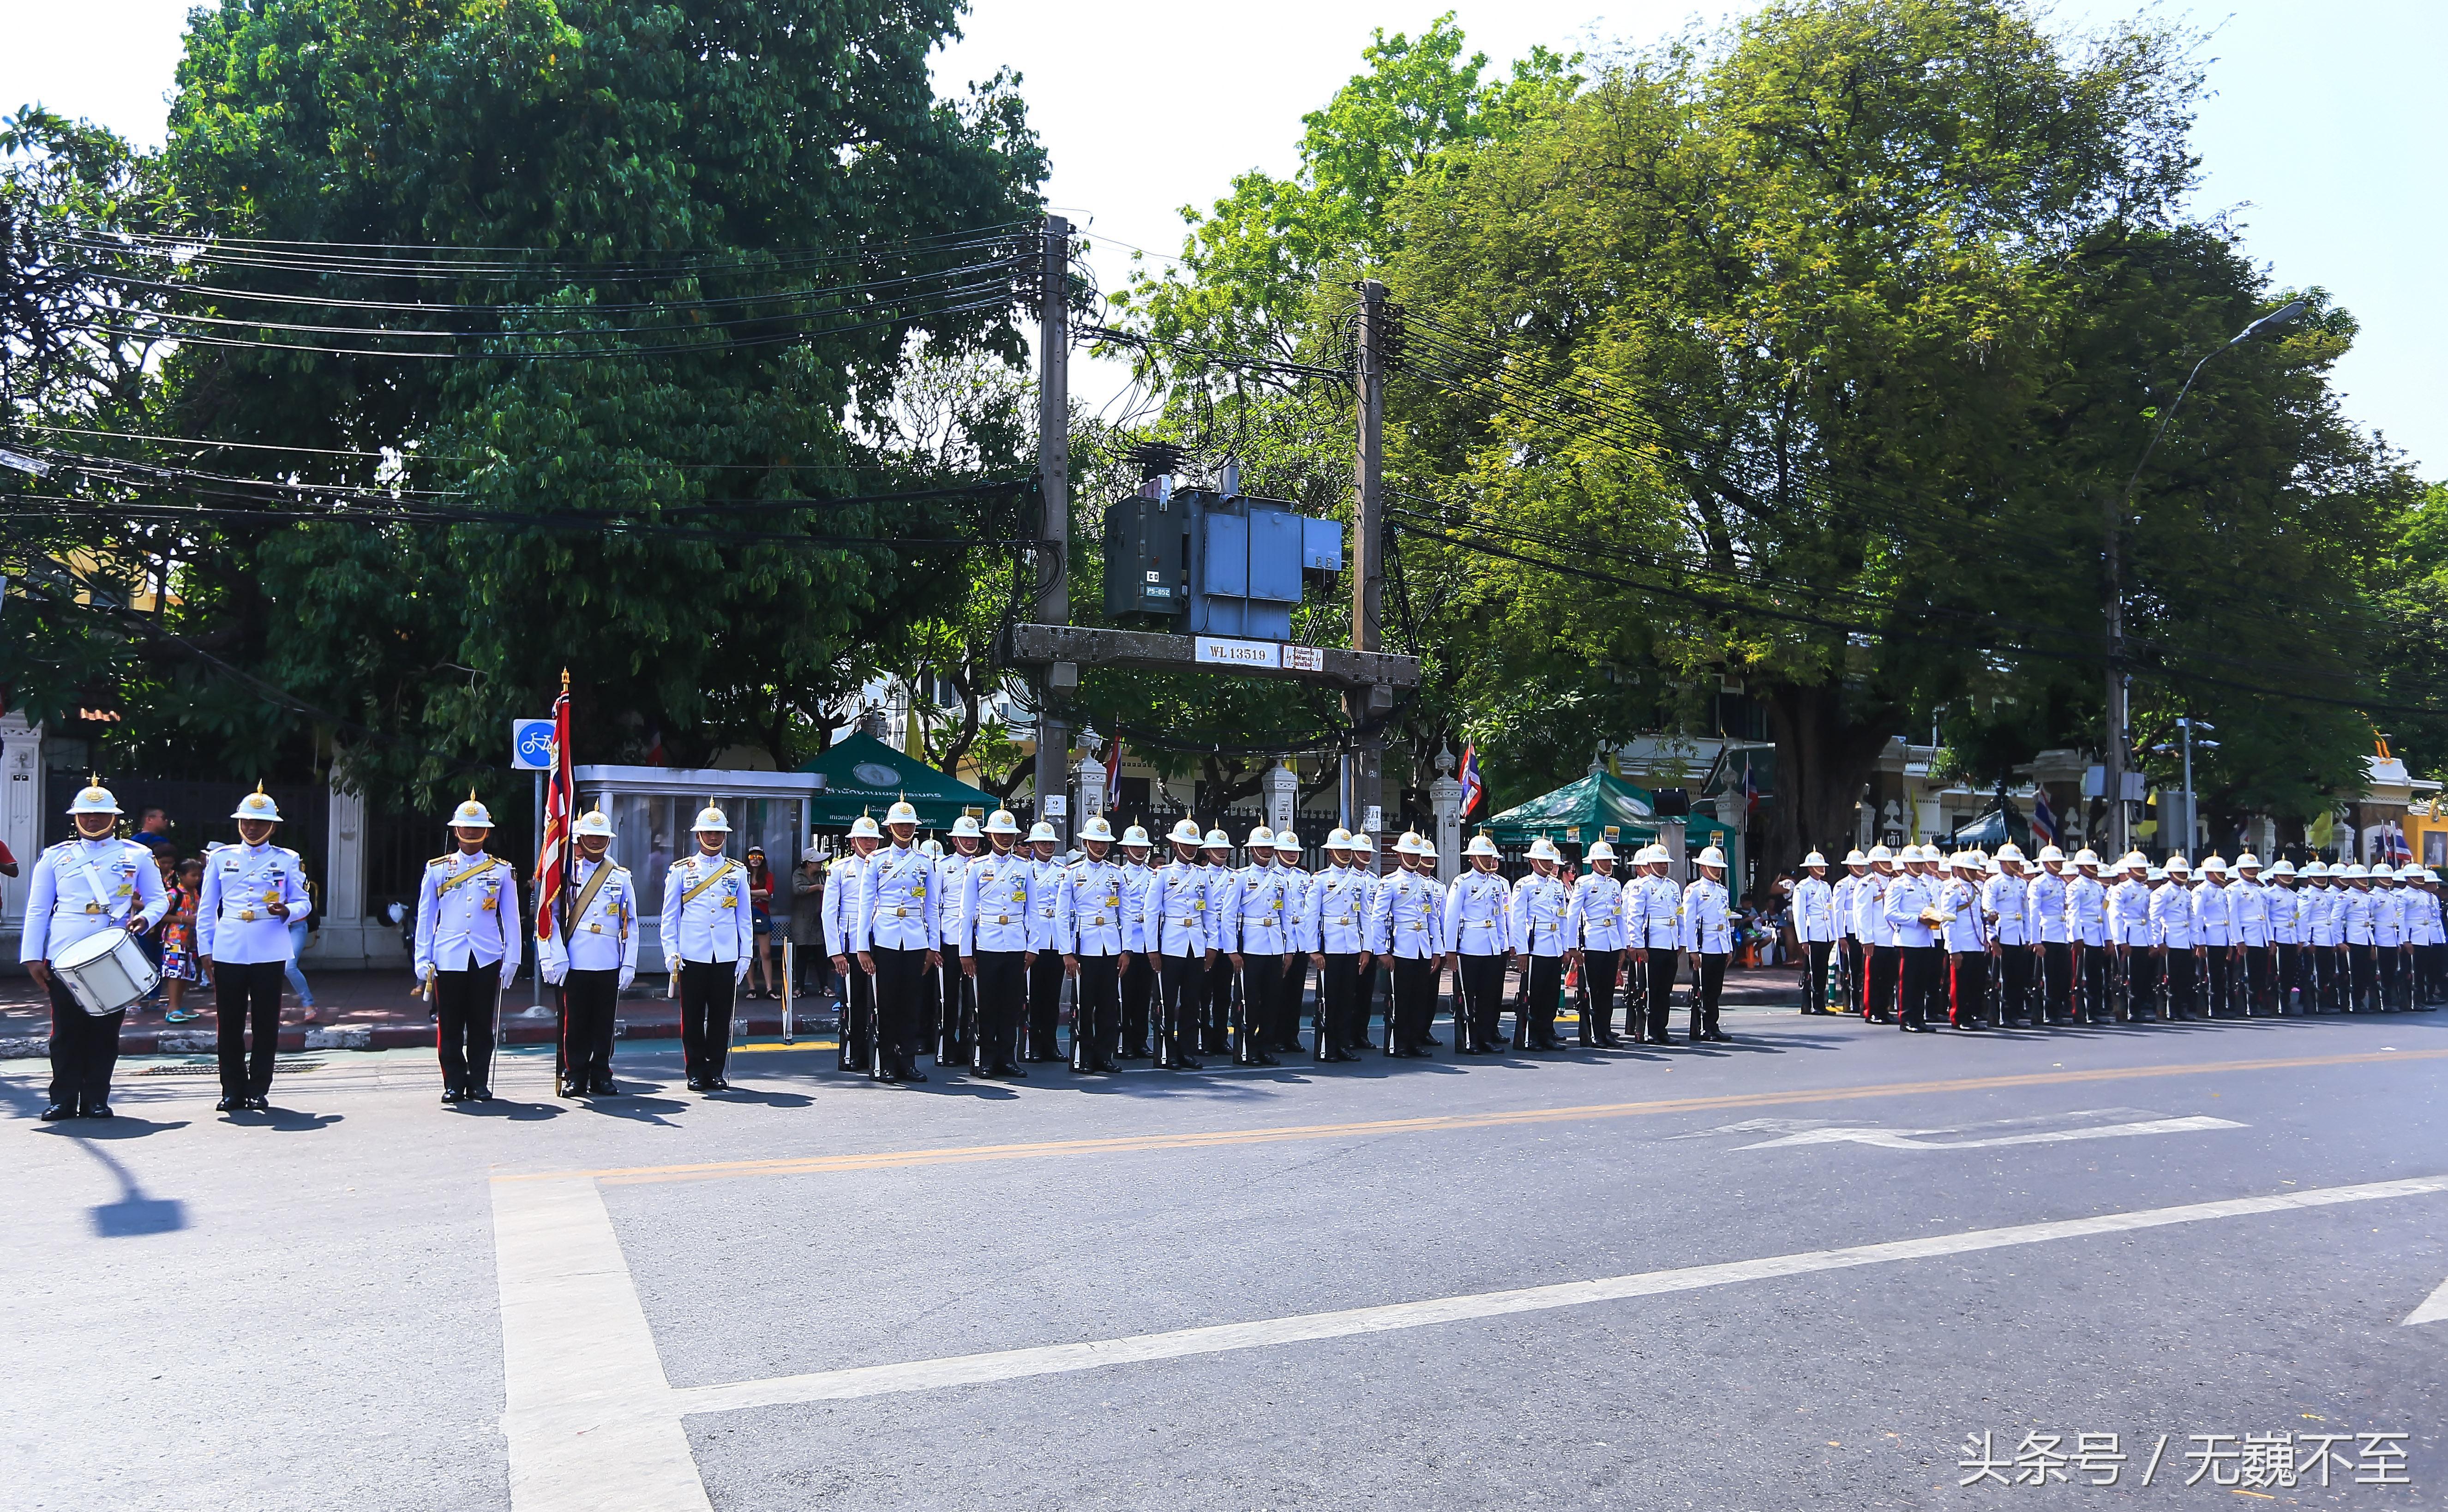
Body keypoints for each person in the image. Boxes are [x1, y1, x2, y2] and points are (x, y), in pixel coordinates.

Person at [21, 781, 169, 1120]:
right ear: (76, 818)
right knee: (66, 1033)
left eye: (99, 814)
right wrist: (32, 957)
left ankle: (96, 1099)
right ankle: (62, 1099)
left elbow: (158, 899)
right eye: (85, 815)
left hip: (111, 955)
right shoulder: (56, 856)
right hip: (65, 956)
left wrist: (145, 920)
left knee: (105, 1033)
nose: (91, 820)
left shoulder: (136, 855)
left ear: (114, 818)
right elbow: (38, 909)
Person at [203, 784, 315, 1112]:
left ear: (273, 827)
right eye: (247, 822)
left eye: (259, 823)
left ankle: (259, 1088)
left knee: (266, 1023)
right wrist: (205, 950)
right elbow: (208, 909)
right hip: (230, 946)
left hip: (269, 946)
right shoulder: (221, 858)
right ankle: (232, 1090)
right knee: (230, 1024)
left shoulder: (288, 859)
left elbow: (303, 901)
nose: (252, 828)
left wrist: (289, 912)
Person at [414, 794, 520, 1105]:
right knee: (449, 1023)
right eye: (465, 828)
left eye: (477, 829)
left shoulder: (501, 871)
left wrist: (512, 958)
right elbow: (426, 917)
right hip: (449, 955)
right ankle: (453, 1082)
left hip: (486, 955)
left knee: (480, 1023)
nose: (471, 833)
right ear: (456, 830)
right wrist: (422, 957)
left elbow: (511, 919)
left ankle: (479, 1082)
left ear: (487, 832)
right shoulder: (437, 869)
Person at [537, 808, 638, 1098]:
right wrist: (555, 955)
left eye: (601, 838)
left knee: (604, 1022)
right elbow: (551, 917)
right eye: (589, 837)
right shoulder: (566, 875)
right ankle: (576, 1074)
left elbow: (631, 921)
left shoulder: (621, 877)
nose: (595, 842)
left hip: (608, 957)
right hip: (576, 958)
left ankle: (602, 1073)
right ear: (579, 840)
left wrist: (629, 963)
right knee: (576, 1022)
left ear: (608, 841)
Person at [663, 804, 753, 1091]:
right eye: (709, 832)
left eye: (719, 833)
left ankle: (716, 1069)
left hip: (725, 954)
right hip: (692, 954)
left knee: (720, 1017)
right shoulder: (681, 870)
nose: (714, 838)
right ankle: (695, 1071)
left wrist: (745, 954)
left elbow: (745, 918)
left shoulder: (737, 872)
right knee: (691, 1017)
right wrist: (670, 952)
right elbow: (670, 916)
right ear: (698, 835)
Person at [856, 798, 938, 1084]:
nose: (905, 829)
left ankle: (908, 1062)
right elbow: (865, 905)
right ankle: (887, 1062)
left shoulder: (925, 862)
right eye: (900, 825)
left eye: (910, 825)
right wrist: (862, 947)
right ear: (890, 828)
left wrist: (933, 946)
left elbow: (932, 907)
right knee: (887, 1003)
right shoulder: (876, 860)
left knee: (912, 1003)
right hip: (886, 935)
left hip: (915, 938)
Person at [959, 809, 1037, 1077]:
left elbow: (1033, 912)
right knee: (987, 1003)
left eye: (1010, 835)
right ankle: (986, 1058)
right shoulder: (977, 867)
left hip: (1016, 941)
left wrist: (1032, 946)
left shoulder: (1025, 867)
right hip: (988, 942)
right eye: (1000, 834)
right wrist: (965, 952)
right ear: (990, 835)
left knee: (1011, 1004)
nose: (1005, 839)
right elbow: (967, 912)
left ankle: (1008, 1058)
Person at [1055, 815, 1128, 1073]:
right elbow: (1062, 914)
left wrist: (1126, 950)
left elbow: (1126, 914)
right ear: (1085, 843)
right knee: (1084, 1006)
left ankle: (1105, 1055)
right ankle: (1085, 1055)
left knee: (1109, 1004)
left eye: (1104, 843)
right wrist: (1067, 953)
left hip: (1110, 946)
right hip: (1083, 946)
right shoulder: (1072, 873)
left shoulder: (1116, 874)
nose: (1099, 847)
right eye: (1095, 842)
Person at [1142, 818, 1214, 1069]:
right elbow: (1151, 913)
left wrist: (1212, 945)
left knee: (1192, 1001)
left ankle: (1187, 1050)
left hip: (1195, 943)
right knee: (1167, 1001)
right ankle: (1167, 1052)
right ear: (1174, 845)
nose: (1191, 849)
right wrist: (1152, 948)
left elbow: (1210, 912)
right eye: (1186, 844)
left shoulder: (1202, 876)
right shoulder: (1162, 875)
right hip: (1171, 944)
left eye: (1194, 845)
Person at [1372, 831, 1446, 1056]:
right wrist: (1382, 951)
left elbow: (1432, 918)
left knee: (1420, 997)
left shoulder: (1426, 885)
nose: (1414, 859)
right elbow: (1378, 917)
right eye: (1410, 855)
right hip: (1402, 946)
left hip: (1423, 946)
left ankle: (1415, 1041)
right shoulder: (1390, 883)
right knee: (1402, 998)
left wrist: (1437, 950)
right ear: (1400, 855)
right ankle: (1401, 1043)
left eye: (1417, 855)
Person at [1304, 829, 1375, 1061]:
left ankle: (1344, 1045)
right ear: (1331, 852)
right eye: (1341, 850)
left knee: (1348, 998)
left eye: (1348, 850)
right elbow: (1312, 916)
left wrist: (1367, 948)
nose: (1345, 854)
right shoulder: (1321, 879)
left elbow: (1366, 916)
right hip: (1330, 946)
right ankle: (1328, 1045)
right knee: (1330, 1000)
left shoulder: (1359, 881)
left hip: (1352, 946)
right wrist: (1313, 950)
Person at [1225, 824, 1291, 1067]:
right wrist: (1232, 950)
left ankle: (1265, 1046)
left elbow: (1287, 916)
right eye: (1261, 847)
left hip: (1274, 946)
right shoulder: (1240, 877)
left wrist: (1289, 950)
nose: (1265, 851)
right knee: (1249, 1002)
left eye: (1269, 847)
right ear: (1252, 850)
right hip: (1250, 947)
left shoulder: (1279, 879)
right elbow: (1229, 915)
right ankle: (1247, 1048)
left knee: (1272, 1001)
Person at [1444, 833, 1514, 1053]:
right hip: (1470, 946)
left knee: (1488, 995)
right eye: (1482, 856)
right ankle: (1470, 1039)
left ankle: (1485, 1038)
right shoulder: (1462, 882)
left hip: (1493, 945)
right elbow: (1452, 916)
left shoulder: (1498, 884)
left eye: (1489, 856)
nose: (1486, 860)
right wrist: (1451, 950)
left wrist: (1507, 943)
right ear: (1472, 858)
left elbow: (1503, 916)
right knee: (1469, 996)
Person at [824, 816, 882, 1065]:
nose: (869, 843)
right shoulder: (839, 869)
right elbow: (829, 912)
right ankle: (855, 1052)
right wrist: (836, 952)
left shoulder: (885, 864)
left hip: (880, 940)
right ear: (853, 841)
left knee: (880, 1000)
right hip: (849, 944)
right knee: (854, 1000)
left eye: (873, 839)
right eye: (864, 838)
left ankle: (879, 1052)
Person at [1509, 837, 1571, 1050]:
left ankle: (1547, 1033)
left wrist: (1565, 948)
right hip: (1536, 946)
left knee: (1552, 994)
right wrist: (1522, 952)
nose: (1548, 864)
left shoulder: (1557, 886)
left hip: (1554, 945)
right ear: (1533, 862)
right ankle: (1533, 1036)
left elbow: (1563, 918)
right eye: (1543, 860)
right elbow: (1518, 920)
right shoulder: (1524, 885)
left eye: (1550, 860)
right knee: (1535, 994)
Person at [1566, 839, 1630, 1044]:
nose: (1609, 864)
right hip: (1594, 941)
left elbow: (1620, 916)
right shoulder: (1584, 883)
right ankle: (1594, 1032)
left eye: (1610, 860)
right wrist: (1573, 946)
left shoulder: (1615, 885)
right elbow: (1573, 915)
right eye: (1604, 860)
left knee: (1608, 990)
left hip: (1612, 941)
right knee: (1594, 991)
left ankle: (1606, 1030)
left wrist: (1622, 946)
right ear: (1594, 863)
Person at [934, 814, 984, 1063]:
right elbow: (934, 907)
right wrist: (934, 945)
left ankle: (969, 1044)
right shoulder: (942, 867)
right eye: (965, 837)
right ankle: (947, 1046)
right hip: (951, 938)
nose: (970, 842)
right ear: (954, 840)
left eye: (974, 837)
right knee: (949, 996)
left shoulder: (986, 865)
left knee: (974, 996)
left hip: (981, 937)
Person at [1021, 821, 1066, 1061]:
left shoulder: (1063, 871)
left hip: (1056, 939)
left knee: (1053, 996)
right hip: (1034, 939)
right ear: (1033, 845)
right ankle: (1034, 1044)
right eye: (1043, 843)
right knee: (1034, 996)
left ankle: (1051, 1043)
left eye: (1051, 843)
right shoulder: (1026, 870)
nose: (1048, 847)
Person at [1680, 845, 1734, 1042]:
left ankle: (1713, 1024)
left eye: (1719, 866)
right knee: (1705, 989)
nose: (1718, 870)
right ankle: (1705, 1026)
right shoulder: (1694, 890)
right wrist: (1693, 950)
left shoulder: (1722, 891)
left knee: (1716, 989)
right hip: (1705, 945)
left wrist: (1728, 947)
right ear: (1703, 868)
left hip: (1719, 944)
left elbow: (1726, 920)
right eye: (1713, 866)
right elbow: (1688, 921)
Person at [1116, 825, 1159, 1057]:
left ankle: (1140, 1041)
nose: (1140, 851)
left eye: (1143, 847)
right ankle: (1123, 1041)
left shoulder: (1154, 875)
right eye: (1135, 847)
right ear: (1125, 849)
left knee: (1144, 994)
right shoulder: (1118, 874)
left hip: (1148, 941)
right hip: (1127, 939)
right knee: (1125, 995)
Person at [1935, 850, 1988, 1030]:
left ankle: (1971, 1014)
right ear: (1959, 869)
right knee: (1961, 984)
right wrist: (1953, 950)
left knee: (1975, 982)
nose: (1975, 873)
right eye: (1971, 870)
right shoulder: (1952, 890)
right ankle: (1958, 1017)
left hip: (1977, 943)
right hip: (1961, 944)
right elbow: (1948, 923)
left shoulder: (1976, 889)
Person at [1272, 829, 1314, 1053]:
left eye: (1294, 852)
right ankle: (1276, 1035)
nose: (1291, 855)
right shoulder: (1272, 876)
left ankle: (1292, 1036)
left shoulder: (1305, 878)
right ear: (1277, 852)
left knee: (1296, 991)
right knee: (1278, 990)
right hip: (1278, 941)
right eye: (1286, 852)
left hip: (1301, 940)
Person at [1198, 828, 1240, 1056]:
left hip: (1227, 942)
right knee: (1203, 995)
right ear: (1208, 851)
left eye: (1225, 849)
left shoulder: (1235, 876)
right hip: (1204, 941)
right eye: (1217, 848)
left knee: (1224, 994)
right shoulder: (1200, 874)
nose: (1222, 852)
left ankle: (1221, 1037)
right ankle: (1203, 1037)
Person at [1982, 845, 2031, 1025]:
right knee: (2003, 978)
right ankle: (2003, 1015)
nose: (2017, 865)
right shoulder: (1993, 883)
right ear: (2004, 863)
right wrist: (1992, 938)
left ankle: (2014, 1012)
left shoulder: (2021, 884)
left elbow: (2025, 912)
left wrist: (2026, 937)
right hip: (2003, 934)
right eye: (2014, 862)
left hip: (2017, 935)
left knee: (2017, 977)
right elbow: (1989, 912)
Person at [2026, 845, 2072, 1025]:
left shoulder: (2061, 883)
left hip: (2061, 934)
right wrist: (2036, 940)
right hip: (2046, 933)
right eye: (2055, 862)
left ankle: (2058, 1011)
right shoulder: (2038, 884)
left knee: (2062, 976)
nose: (2059, 865)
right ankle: (2048, 1013)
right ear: (2046, 864)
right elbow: (2034, 913)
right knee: (2049, 977)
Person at [1790, 851, 1839, 1017]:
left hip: (1825, 933)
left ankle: (1820, 1003)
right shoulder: (1803, 887)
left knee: (1822, 970)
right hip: (1812, 933)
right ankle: (1809, 1003)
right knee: (1811, 969)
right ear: (1811, 868)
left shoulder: (1826, 887)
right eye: (1818, 866)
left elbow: (1831, 912)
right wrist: (1803, 939)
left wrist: (1833, 935)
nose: (1821, 869)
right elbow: (1799, 915)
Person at [1855, 845, 1900, 1022]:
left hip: (1893, 938)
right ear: (1873, 865)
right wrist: (1867, 939)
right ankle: (1871, 1011)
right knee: (1873, 978)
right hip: (1876, 939)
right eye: (1883, 862)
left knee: (1889, 977)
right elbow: (1863, 913)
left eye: (1888, 861)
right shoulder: (1867, 884)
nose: (1887, 864)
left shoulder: (1894, 883)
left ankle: (1884, 1009)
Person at [162, 857, 206, 1023]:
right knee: (174, 974)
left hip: (189, 941)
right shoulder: (174, 894)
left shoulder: (195, 894)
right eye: (193, 875)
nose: (197, 879)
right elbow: (161, 916)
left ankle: (178, 1006)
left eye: (199, 876)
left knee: (185, 973)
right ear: (181, 876)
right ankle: (172, 1008)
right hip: (174, 940)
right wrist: (183, 920)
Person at [282, 869, 320, 1023]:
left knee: (289, 966)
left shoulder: (299, 883)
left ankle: (308, 1004)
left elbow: (304, 906)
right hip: (276, 928)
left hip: (297, 926)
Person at [790, 847, 827, 1002]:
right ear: (809, 863)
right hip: (802, 920)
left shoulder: (822, 876)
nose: (820, 864)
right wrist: (817, 888)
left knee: (821, 954)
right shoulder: (798, 874)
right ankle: (800, 987)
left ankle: (824, 986)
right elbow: (798, 890)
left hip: (818, 919)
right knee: (803, 954)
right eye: (817, 862)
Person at [741, 845, 778, 1000]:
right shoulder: (743, 874)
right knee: (748, 952)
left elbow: (769, 893)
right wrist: (761, 895)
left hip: (763, 915)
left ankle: (769, 988)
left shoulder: (768, 876)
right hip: (746, 915)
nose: (755, 860)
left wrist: (748, 892)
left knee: (766, 953)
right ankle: (752, 987)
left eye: (759, 857)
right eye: (752, 857)